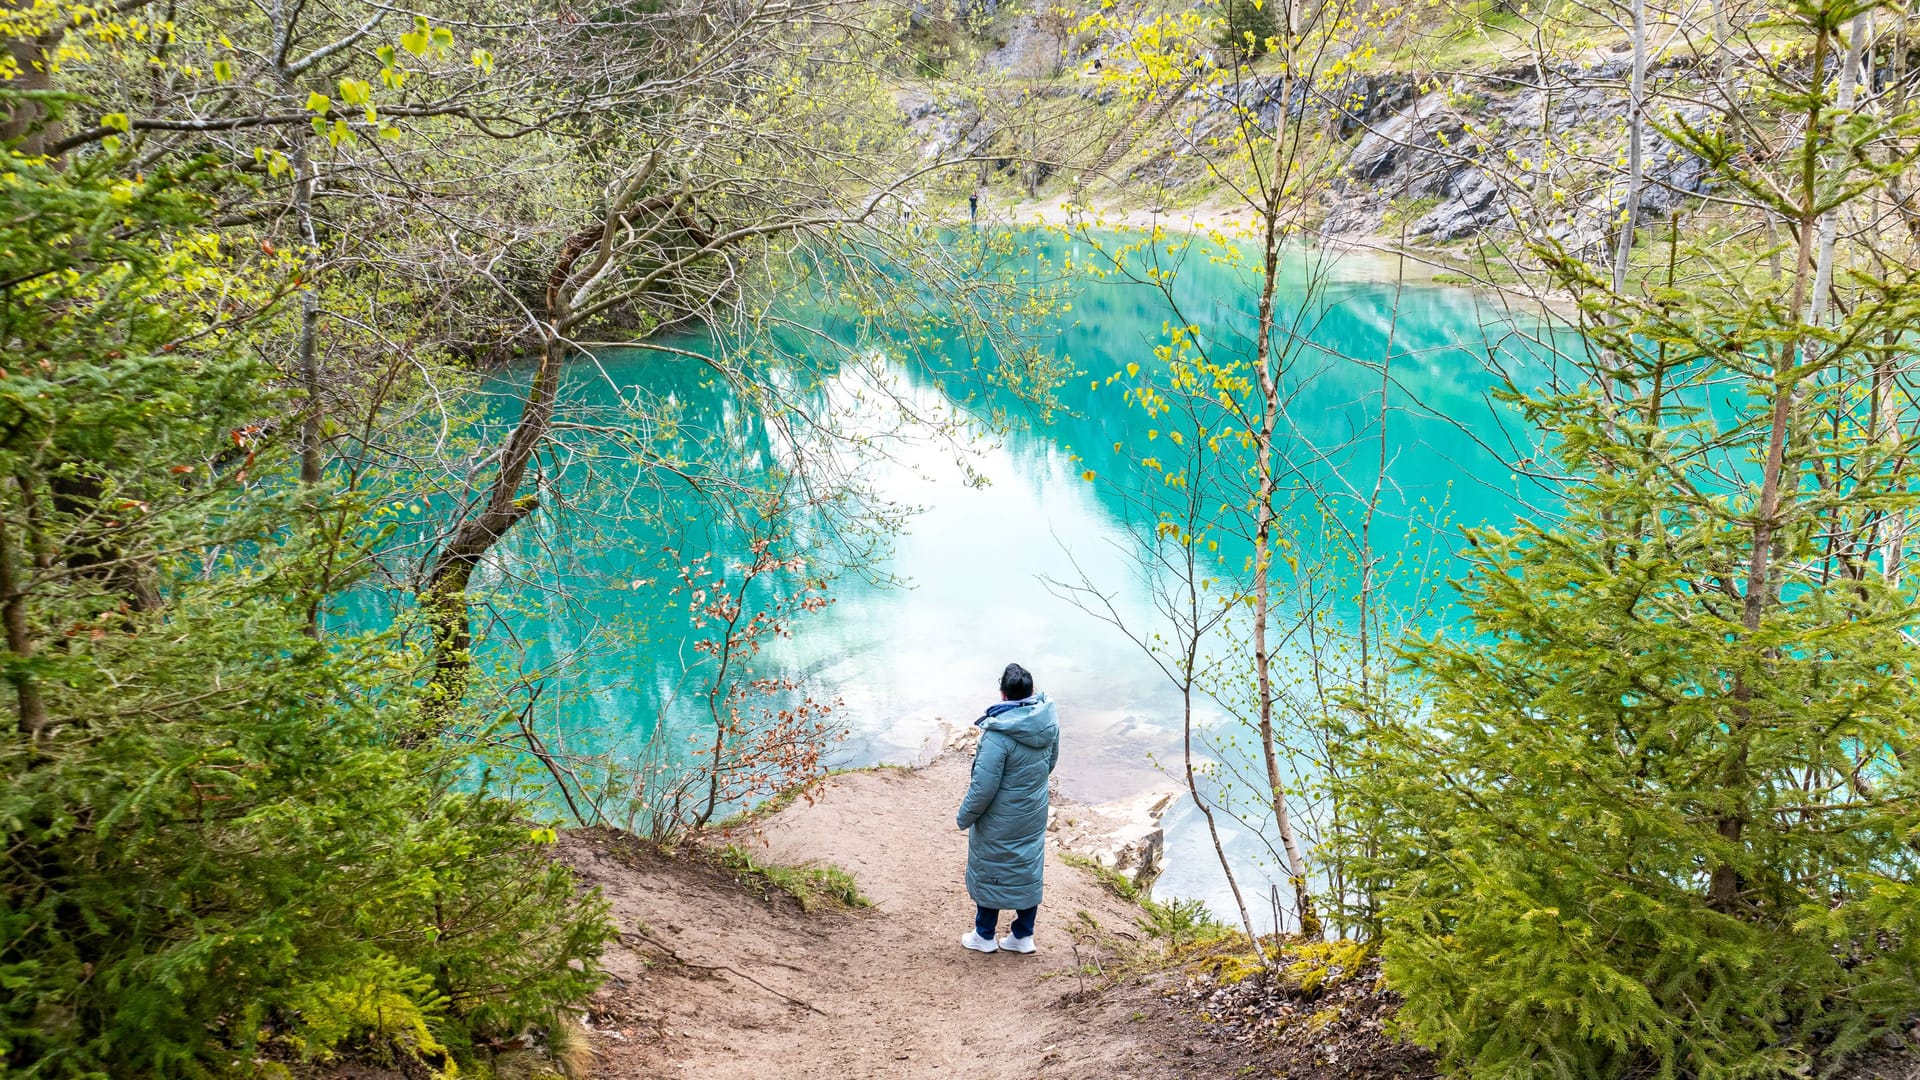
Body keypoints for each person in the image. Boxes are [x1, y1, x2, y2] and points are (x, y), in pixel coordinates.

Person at [955, 662, 1059, 954]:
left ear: (1002, 695)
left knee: (993, 867)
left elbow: (983, 788)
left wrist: (964, 817)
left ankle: (984, 935)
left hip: (1000, 816)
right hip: (1033, 810)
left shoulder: (998, 735)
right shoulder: (1048, 722)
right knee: (1026, 866)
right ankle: (1023, 936)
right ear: (1032, 691)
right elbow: (1050, 763)